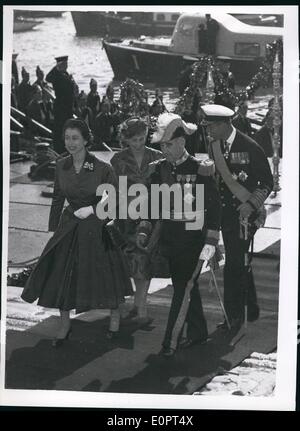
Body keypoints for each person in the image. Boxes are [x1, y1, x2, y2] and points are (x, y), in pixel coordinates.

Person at [21, 119, 133, 346]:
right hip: (69, 226)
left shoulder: (102, 168)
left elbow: (116, 200)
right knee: (63, 276)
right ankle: (65, 324)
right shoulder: (61, 166)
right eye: (67, 138)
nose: (70, 143)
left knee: (105, 276)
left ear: (85, 140)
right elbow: (57, 198)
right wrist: (53, 229)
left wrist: (92, 209)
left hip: (96, 227)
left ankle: (114, 318)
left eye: (75, 138)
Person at [137, 113, 221, 357]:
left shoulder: (200, 169)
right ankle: (199, 332)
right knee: (185, 287)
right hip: (169, 240)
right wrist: (144, 229)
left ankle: (169, 343)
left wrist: (212, 242)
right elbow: (151, 206)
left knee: (183, 289)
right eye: (162, 145)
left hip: (194, 241)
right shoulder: (158, 170)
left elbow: (214, 207)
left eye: (168, 144)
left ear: (182, 142)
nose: (164, 149)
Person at [200, 104, 274, 330]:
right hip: (222, 214)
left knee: (234, 263)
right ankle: (250, 305)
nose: (208, 131)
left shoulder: (250, 146)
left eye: (211, 126)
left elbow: (266, 182)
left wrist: (251, 205)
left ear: (224, 124)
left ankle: (234, 317)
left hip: (243, 216)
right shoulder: (214, 145)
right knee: (239, 260)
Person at [110, 117, 163, 324]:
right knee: (131, 260)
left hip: (150, 215)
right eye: (134, 140)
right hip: (126, 216)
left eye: (142, 139)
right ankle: (138, 303)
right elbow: (113, 189)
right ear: (126, 139)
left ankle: (142, 303)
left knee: (145, 259)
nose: (139, 143)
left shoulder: (157, 156)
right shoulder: (117, 159)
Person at [46, 56, 76, 154]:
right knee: (60, 130)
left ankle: (67, 150)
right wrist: (56, 68)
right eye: (64, 64)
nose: (66, 65)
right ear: (60, 65)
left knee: (68, 129)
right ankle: (59, 151)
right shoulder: (57, 75)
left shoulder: (66, 74)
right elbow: (47, 78)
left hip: (68, 108)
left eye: (67, 63)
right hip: (61, 108)